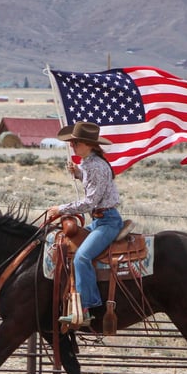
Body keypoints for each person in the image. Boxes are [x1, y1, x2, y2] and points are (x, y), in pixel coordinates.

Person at [47, 121, 123, 325]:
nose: (72, 146)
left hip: (107, 222)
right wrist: (79, 174)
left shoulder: (96, 166)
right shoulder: (90, 164)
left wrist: (60, 209)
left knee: (82, 257)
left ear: (89, 144)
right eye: (72, 142)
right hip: (100, 220)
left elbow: (90, 201)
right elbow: (94, 187)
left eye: (76, 142)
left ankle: (86, 307)